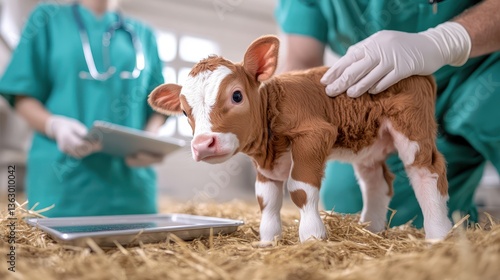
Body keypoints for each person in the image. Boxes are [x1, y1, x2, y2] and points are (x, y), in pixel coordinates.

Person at [276, 0, 500, 227]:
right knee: (347, 198)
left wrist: (447, 40)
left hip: (479, 72)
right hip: (379, 96)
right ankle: (457, 241)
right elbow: (302, 62)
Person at [0, 0, 166, 217]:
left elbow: (159, 104)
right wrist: (53, 125)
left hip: (130, 185)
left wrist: (149, 140)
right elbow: (21, 92)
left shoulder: (144, 34)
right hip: (63, 184)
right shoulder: (47, 18)